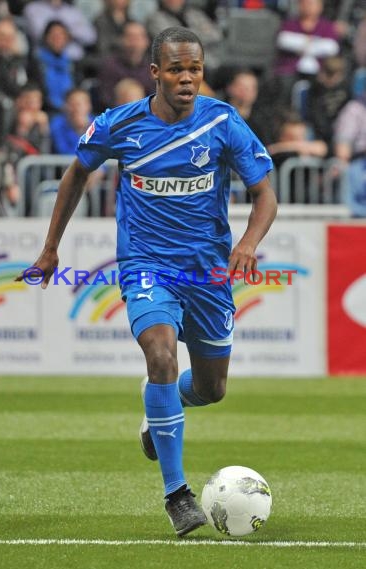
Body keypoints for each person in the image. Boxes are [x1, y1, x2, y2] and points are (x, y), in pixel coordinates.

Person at [16, 27, 277, 536]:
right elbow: (75, 175)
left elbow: (265, 194)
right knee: (160, 353)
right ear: (154, 73)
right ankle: (177, 495)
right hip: (146, 264)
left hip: (207, 274)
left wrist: (247, 243)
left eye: (195, 70)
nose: (187, 78)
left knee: (211, 388)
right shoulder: (120, 124)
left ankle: (162, 404)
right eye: (176, 69)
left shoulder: (223, 123)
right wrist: (51, 248)